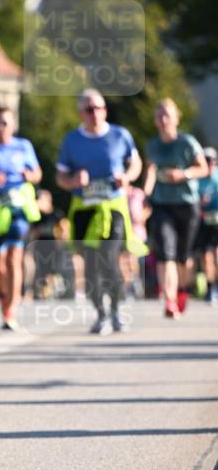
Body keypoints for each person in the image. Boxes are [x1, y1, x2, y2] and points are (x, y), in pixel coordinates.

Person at [56, 89, 145, 335]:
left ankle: (116, 310)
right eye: (88, 109)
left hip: (113, 207)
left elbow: (135, 163)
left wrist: (126, 177)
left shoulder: (120, 135)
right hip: (84, 209)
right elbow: (60, 177)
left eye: (98, 108)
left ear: (105, 110)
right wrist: (73, 180)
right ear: (81, 113)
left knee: (109, 258)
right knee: (92, 265)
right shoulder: (72, 140)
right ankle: (101, 314)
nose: (94, 113)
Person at [0, 104, 42, 330]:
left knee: (14, 257)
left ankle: (11, 308)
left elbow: (37, 173)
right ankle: (5, 301)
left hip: (18, 208)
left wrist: (29, 175)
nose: (0, 127)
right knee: (0, 264)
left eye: (4, 122)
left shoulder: (24, 146)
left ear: (13, 124)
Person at [143, 99, 208, 318]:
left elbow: (204, 169)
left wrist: (183, 174)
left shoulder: (187, 142)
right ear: (155, 120)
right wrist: (146, 194)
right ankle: (169, 299)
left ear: (176, 118)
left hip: (187, 203)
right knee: (165, 252)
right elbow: (150, 171)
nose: (163, 120)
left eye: (167, 115)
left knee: (183, 256)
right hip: (162, 204)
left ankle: (181, 290)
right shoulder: (152, 145)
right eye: (159, 116)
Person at [198, 147, 218, 306]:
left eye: (212, 161)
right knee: (206, 257)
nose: (210, 164)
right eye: (206, 161)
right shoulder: (197, 179)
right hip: (203, 222)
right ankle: (210, 288)